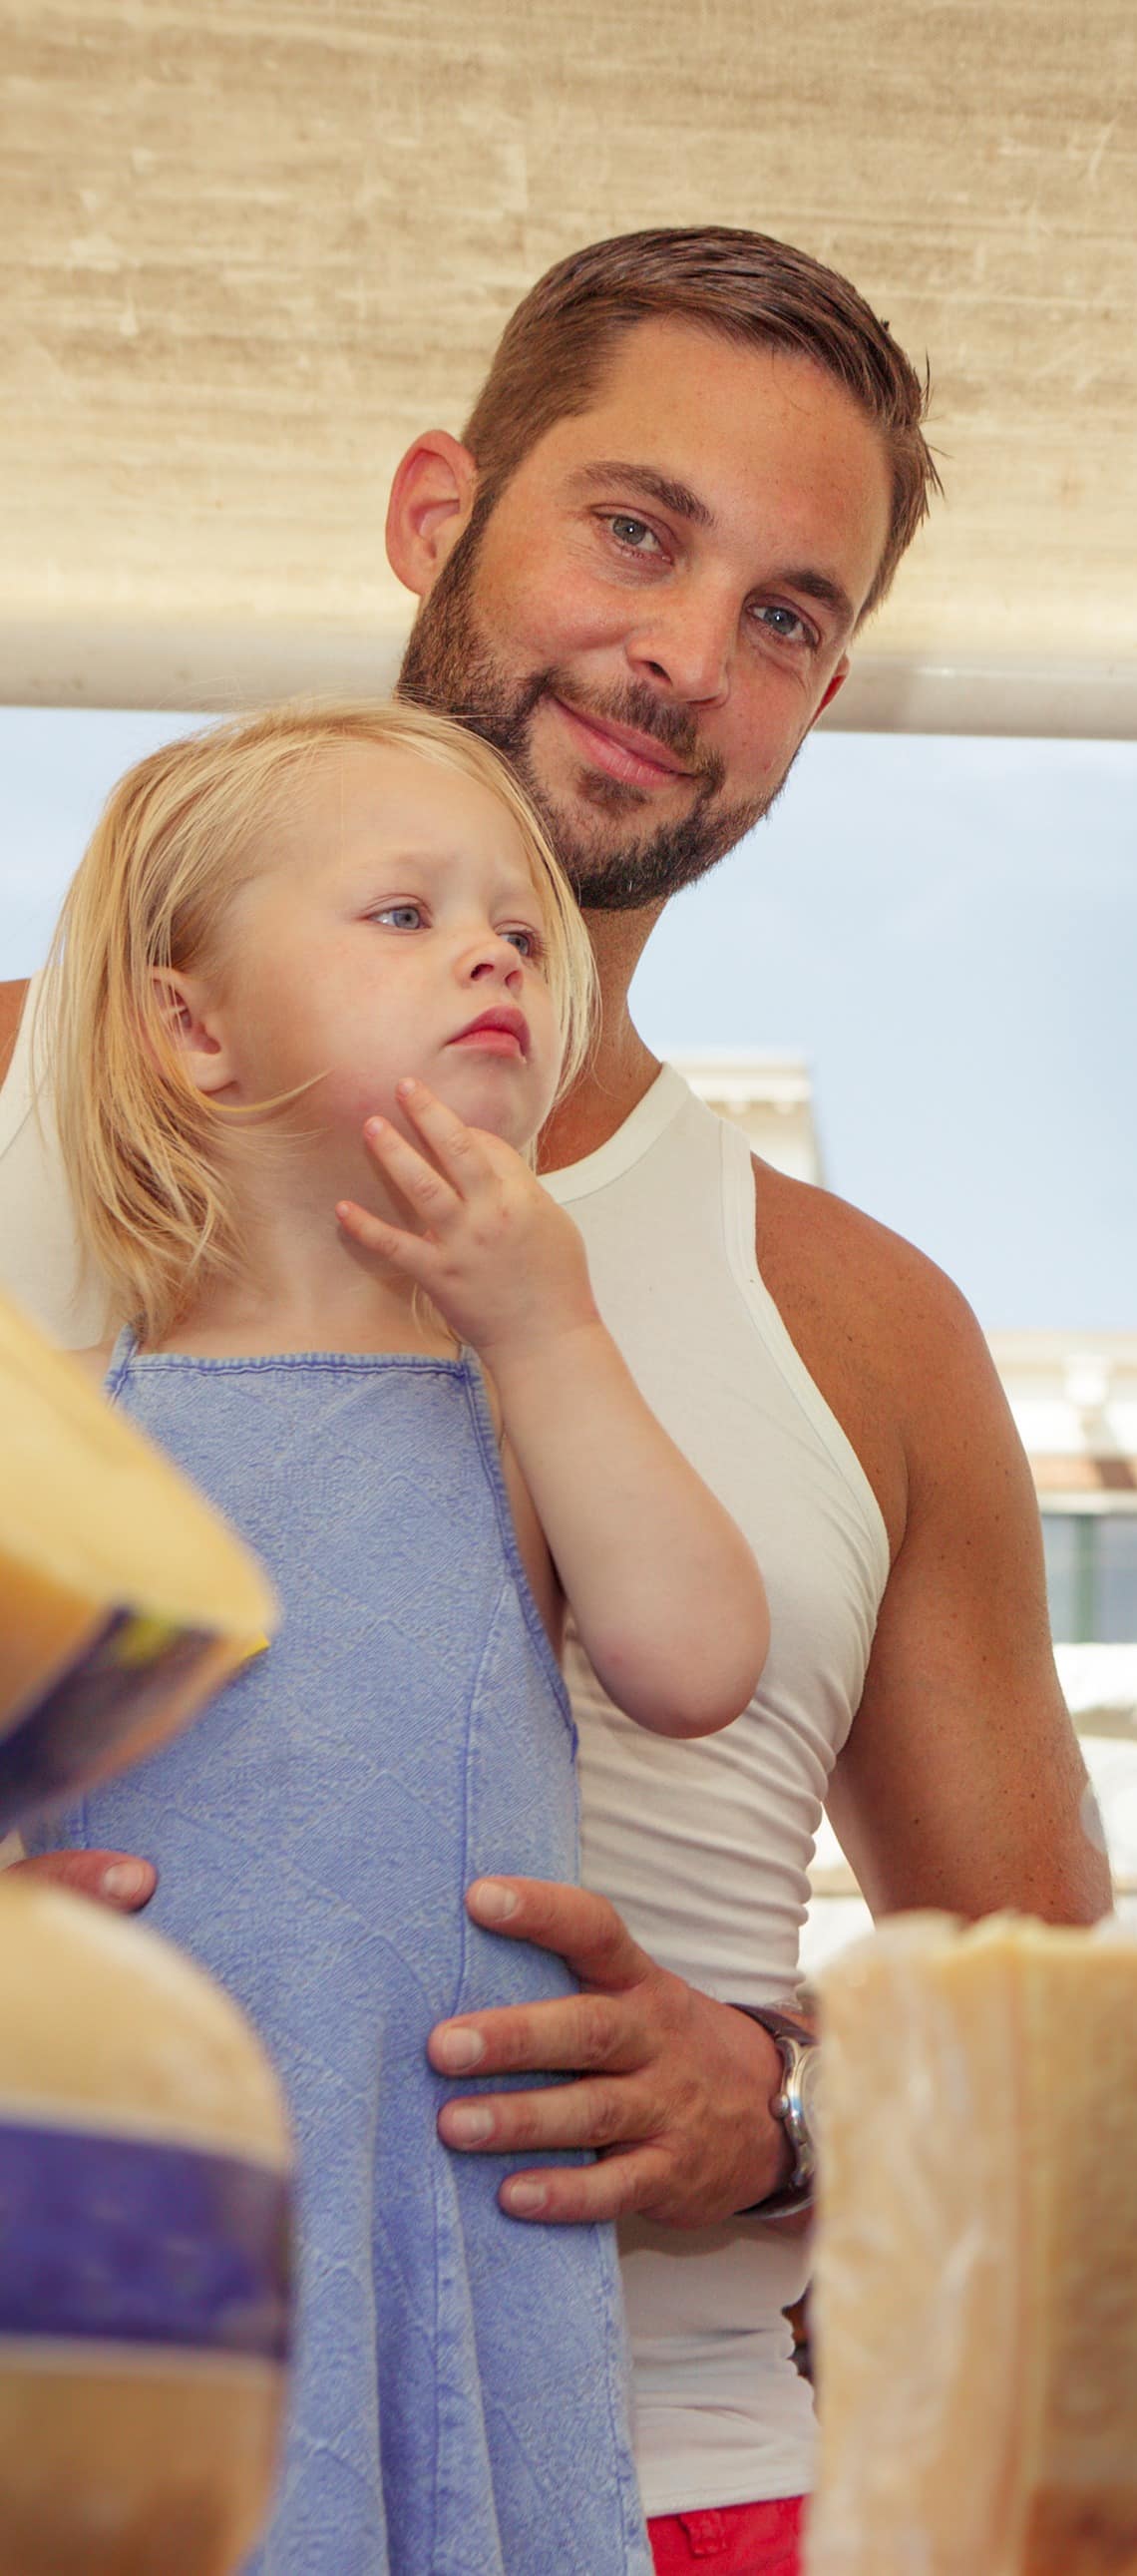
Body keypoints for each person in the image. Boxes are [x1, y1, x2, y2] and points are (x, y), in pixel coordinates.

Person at [0, 227, 1111, 2572]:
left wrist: (779, 2105)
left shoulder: (866, 1324)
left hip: (675, 2471)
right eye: (635, 528)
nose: (689, 653)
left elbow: (1065, 2042)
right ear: (436, 516)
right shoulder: (9, 1090)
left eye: (791, 617)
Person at [23, 698, 771, 2573]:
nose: (492, 952)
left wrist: (552, 1328)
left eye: (513, 927)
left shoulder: (524, 1404)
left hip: (447, 2204)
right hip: (133, 2223)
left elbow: (696, 1660)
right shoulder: (59, 1438)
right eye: (402, 915)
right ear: (193, 1028)